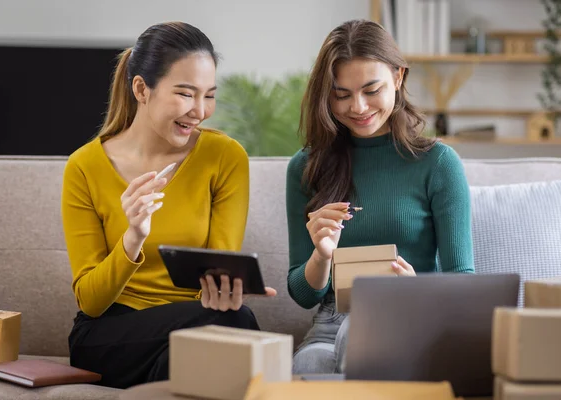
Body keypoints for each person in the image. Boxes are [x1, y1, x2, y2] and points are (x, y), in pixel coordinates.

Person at [61, 21, 275, 389]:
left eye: (209, 95)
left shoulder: (224, 157)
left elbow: (220, 264)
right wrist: (133, 238)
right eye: (185, 93)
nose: (200, 110)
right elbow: (91, 302)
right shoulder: (84, 167)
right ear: (142, 89)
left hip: (198, 325)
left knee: (194, 352)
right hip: (109, 334)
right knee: (236, 325)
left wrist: (225, 287)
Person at [286, 19, 475, 375]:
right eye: (341, 94)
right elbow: (303, 294)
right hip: (331, 319)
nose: (357, 107)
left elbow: (462, 278)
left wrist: (414, 293)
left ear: (399, 78)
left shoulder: (437, 163)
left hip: (412, 313)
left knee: (359, 334)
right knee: (308, 362)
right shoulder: (306, 166)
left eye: (371, 90)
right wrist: (322, 256)